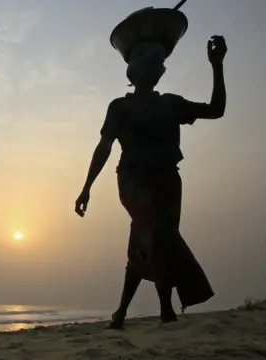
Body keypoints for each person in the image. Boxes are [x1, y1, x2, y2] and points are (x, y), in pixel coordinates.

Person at [75, 35, 227, 328]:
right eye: (147, 63)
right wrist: (87, 187)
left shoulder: (172, 104)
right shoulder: (119, 107)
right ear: (133, 72)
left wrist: (217, 66)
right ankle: (168, 306)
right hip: (133, 182)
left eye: (156, 64)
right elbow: (104, 147)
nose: (153, 69)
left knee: (151, 241)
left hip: (168, 181)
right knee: (156, 232)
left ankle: (123, 312)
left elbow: (216, 110)